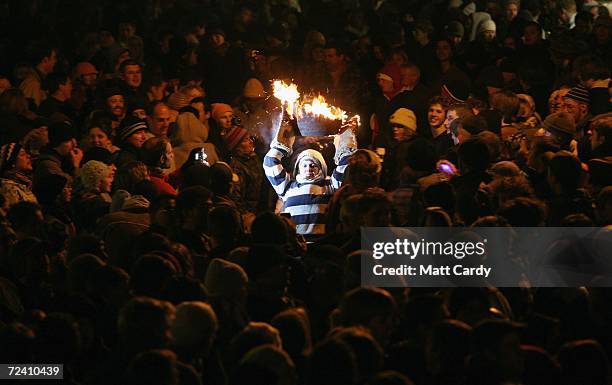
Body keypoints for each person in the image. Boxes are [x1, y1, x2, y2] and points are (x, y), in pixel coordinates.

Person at [263, 115, 357, 238]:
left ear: (321, 168)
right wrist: (283, 139)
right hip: (295, 245)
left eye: (313, 165)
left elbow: (347, 163)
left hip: (321, 246)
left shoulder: (330, 186)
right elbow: (270, 162)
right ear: (298, 169)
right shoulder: (287, 187)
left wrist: (346, 134)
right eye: (304, 165)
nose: (309, 168)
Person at [0, 143, 37, 207]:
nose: (28, 156)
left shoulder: (24, 183)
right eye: (22, 154)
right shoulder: (9, 188)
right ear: (12, 162)